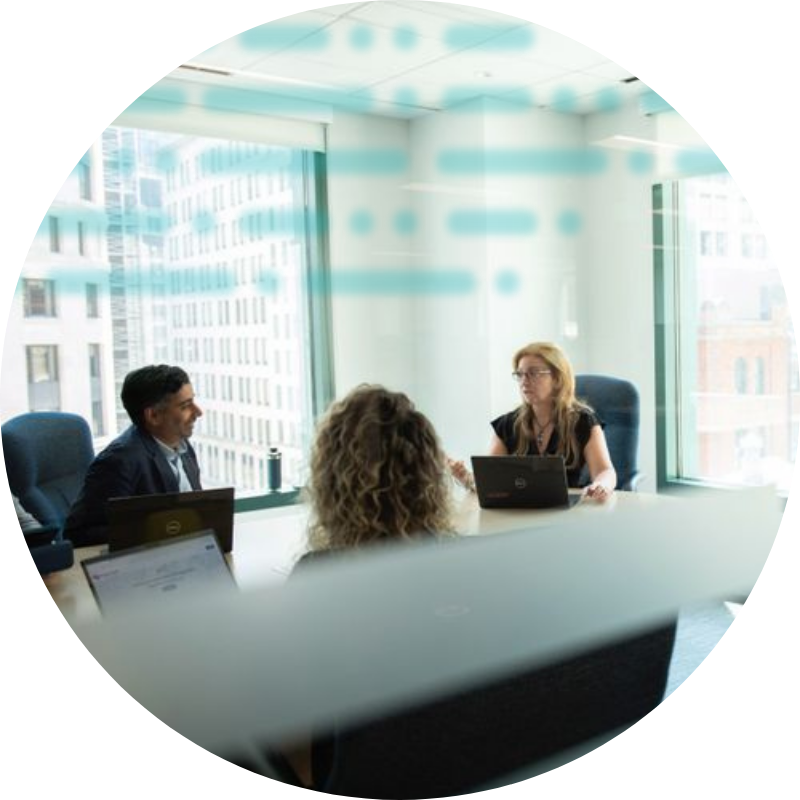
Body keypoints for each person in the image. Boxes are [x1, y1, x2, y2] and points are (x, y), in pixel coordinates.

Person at [279, 384, 456, 787]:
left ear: (332, 478)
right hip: (454, 770)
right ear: (428, 472)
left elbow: (287, 726)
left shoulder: (320, 575)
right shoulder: (462, 564)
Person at [450, 341, 617, 501]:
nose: (524, 381)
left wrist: (601, 485)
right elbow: (492, 483)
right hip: (518, 513)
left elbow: (605, 471)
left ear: (557, 378)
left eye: (534, 373)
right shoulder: (507, 425)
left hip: (566, 514)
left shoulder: (583, 422)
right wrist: (465, 477)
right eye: (520, 374)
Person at [63, 364, 203, 547]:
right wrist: (153, 532)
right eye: (185, 406)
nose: (198, 412)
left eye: (193, 401)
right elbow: (80, 534)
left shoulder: (183, 446)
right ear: (153, 416)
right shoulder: (119, 462)